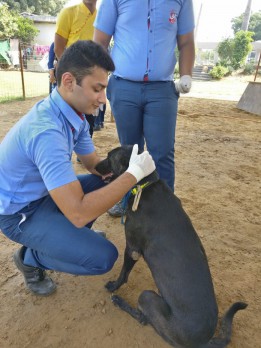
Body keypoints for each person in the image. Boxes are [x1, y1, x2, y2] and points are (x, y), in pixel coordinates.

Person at [0, 40, 156, 297]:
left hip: (43, 196)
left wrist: (124, 165)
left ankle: (68, 240)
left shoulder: (73, 115)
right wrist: (133, 175)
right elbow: (78, 213)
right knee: (102, 257)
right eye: (97, 89)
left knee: (108, 180)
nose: (103, 99)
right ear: (70, 82)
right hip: (19, 214)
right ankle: (30, 259)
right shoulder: (47, 133)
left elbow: (95, 165)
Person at [94, 0, 195, 216]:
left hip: (162, 89)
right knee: (130, 150)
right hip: (124, 85)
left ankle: (165, 208)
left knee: (163, 153)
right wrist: (100, 82)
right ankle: (127, 199)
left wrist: (186, 74)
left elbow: (186, 41)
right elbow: (100, 41)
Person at [54, 0, 104, 137]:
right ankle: (63, 156)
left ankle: (83, 157)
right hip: (71, 80)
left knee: (88, 122)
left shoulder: (103, 17)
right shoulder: (68, 13)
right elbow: (58, 48)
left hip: (92, 82)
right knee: (64, 122)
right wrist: (72, 73)